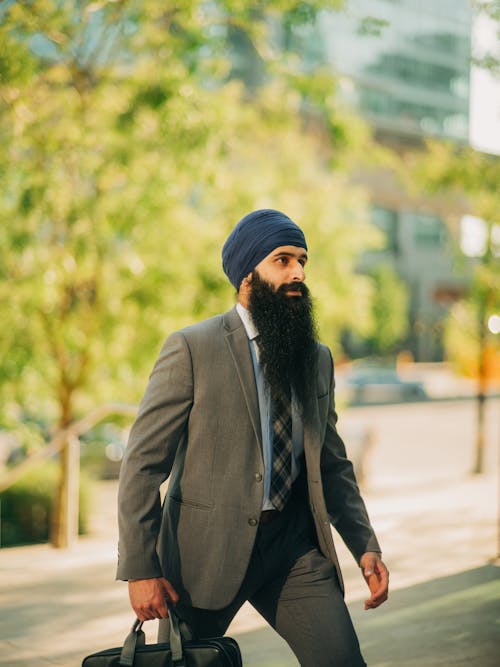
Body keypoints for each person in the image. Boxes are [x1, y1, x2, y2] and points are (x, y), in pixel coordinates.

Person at [117, 209, 389, 666]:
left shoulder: (316, 358)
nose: (299, 272)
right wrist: (141, 569)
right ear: (248, 274)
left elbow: (332, 463)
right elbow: (142, 465)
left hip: (294, 548)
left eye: (302, 260)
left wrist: (365, 544)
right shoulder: (191, 348)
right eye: (283, 260)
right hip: (204, 556)